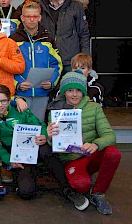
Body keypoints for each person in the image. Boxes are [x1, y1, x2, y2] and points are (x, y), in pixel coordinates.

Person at [0, 84, 86, 207]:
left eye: (3, 101)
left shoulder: (21, 110)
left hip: (34, 146)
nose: (0, 104)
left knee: (45, 150)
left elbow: (39, 125)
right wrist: (9, 160)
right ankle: (31, 174)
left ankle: (68, 188)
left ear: (9, 100)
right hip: (17, 155)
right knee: (26, 193)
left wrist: (44, 136)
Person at [46, 71, 121, 215]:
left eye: (78, 91)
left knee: (113, 153)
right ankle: (84, 179)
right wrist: (50, 137)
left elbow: (110, 135)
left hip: (90, 154)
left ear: (84, 92)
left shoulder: (94, 108)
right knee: (81, 186)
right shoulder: (55, 110)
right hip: (71, 159)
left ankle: (98, 193)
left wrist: (96, 144)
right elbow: (52, 146)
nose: (74, 95)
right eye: (70, 90)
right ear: (64, 92)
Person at [10, 2, 63, 121]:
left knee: (39, 128)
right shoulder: (13, 40)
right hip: (21, 95)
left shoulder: (47, 39)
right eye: (28, 16)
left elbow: (57, 64)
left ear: (39, 17)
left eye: (35, 16)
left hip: (42, 93)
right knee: (21, 129)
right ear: (22, 18)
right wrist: (17, 84)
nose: (32, 19)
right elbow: (8, 67)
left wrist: (52, 82)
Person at [39, 0, 90, 74]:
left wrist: (85, 59)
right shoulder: (39, 6)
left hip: (71, 62)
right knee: (49, 90)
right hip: (47, 60)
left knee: (72, 90)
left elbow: (84, 34)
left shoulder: (76, 6)